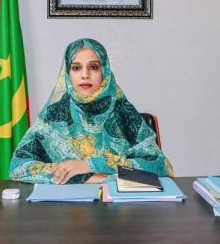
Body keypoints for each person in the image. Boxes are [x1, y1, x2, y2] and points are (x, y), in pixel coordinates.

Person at [9, 38, 173, 184]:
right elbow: (18, 168)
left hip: (119, 204)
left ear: (105, 71)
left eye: (94, 67)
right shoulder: (52, 116)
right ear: (67, 73)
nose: (85, 75)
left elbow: (159, 165)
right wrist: (86, 177)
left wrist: (90, 165)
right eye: (76, 68)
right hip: (67, 205)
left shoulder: (124, 111)